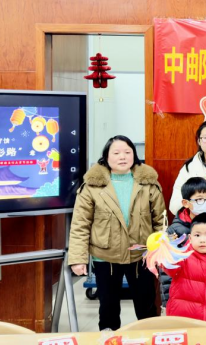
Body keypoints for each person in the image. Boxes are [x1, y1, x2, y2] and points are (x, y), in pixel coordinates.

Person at [68, 135, 166, 331]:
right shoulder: (92, 186)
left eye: (127, 152)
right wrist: (78, 259)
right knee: (108, 310)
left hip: (142, 256)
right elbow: (80, 225)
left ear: (134, 155)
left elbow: (160, 222)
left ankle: (150, 340)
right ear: (106, 157)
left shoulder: (148, 184)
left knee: (147, 308)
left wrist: (161, 253)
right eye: (116, 153)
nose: (123, 156)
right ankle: (109, 341)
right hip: (106, 257)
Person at [160, 177, 206, 308]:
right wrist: (168, 302)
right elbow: (167, 271)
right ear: (186, 203)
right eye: (199, 200)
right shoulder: (175, 231)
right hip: (185, 296)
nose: (205, 203)